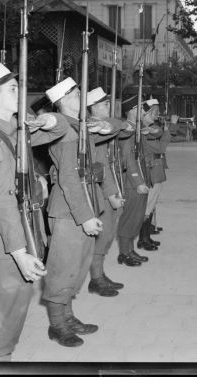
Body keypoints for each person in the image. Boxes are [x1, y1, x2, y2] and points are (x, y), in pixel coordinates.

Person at [0, 63, 68, 361]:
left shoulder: (14, 129)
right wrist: (19, 252)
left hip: (20, 232)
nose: (20, 93)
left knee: (9, 318)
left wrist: (48, 120)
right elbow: (2, 200)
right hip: (5, 243)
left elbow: (63, 128)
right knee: (2, 329)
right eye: (13, 88)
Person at [43, 77, 117, 347]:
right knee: (63, 269)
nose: (81, 96)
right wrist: (85, 217)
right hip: (68, 211)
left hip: (84, 205)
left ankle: (68, 317)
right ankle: (57, 325)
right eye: (75, 94)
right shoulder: (64, 131)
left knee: (76, 267)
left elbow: (116, 129)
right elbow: (69, 179)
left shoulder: (80, 126)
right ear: (62, 101)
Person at [85, 88, 128, 297]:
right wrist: (111, 194)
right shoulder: (94, 128)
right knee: (102, 235)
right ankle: (96, 278)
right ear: (93, 108)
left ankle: (100, 274)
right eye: (104, 105)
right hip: (100, 188)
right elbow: (99, 163)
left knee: (108, 234)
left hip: (109, 183)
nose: (108, 107)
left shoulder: (105, 126)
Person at [117, 104, 152, 262]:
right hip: (131, 181)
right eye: (139, 110)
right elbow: (128, 158)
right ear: (130, 111)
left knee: (137, 217)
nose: (142, 113)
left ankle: (130, 250)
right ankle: (124, 253)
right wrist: (138, 181)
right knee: (130, 218)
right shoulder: (127, 131)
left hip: (140, 178)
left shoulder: (137, 130)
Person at [137, 99, 170, 248]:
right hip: (151, 170)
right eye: (154, 112)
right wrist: (168, 130)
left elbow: (160, 137)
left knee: (151, 205)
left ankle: (146, 237)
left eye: (158, 112)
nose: (157, 115)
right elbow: (161, 146)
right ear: (146, 113)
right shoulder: (145, 130)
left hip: (156, 169)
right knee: (147, 207)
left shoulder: (151, 128)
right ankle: (142, 239)